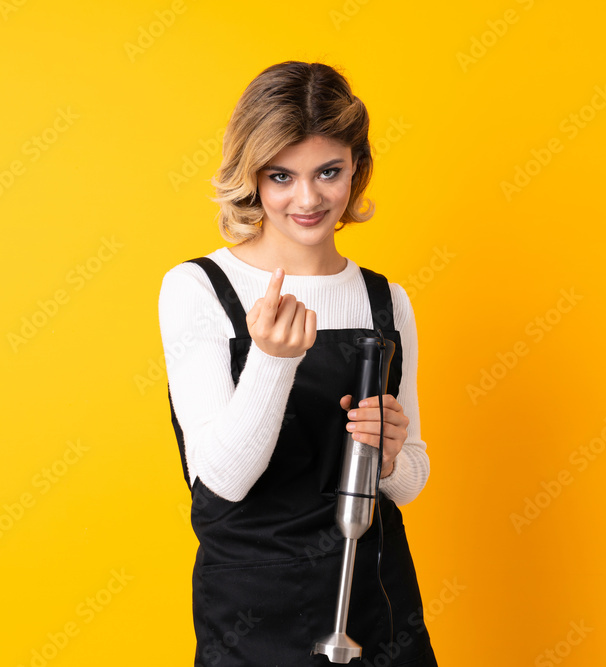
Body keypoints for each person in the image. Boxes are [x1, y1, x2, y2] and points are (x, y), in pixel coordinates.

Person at [159, 60, 437, 666]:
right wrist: (272, 360)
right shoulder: (199, 289)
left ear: (356, 171)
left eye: (328, 172)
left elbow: (411, 479)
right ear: (251, 177)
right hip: (254, 614)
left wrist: (389, 455)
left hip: (374, 600)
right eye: (281, 175)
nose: (307, 199)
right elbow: (223, 481)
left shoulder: (385, 299)